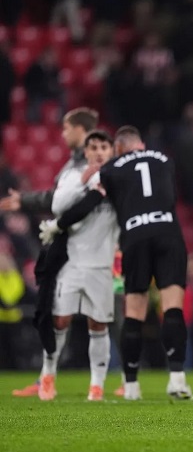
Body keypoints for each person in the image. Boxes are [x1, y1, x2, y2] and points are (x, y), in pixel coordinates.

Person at [39, 126, 193, 400]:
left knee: (133, 313)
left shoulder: (111, 169)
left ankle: (131, 386)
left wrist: (57, 225)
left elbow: (89, 202)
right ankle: (178, 380)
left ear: (118, 148)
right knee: (172, 309)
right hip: (168, 233)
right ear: (141, 144)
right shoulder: (163, 158)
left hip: (135, 236)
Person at [5, 106, 99, 398]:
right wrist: (26, 201)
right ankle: (46, 378)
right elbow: (57, 199)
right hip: (72, 246)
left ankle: (127, 378)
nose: (62, 133)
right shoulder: (72, 165)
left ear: (80, 130)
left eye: (67, 128)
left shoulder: (97, 163)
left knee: (110, 314)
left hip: (97, 246)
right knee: (58, 312)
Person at [36, 130, 118, 401]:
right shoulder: (73, 175)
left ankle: (97, 386)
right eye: (93, 147)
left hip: (102, 263)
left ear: (111, 151)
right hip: (71, 261)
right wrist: (83, 183)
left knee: (99, 324)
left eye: (103, 147)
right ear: (86, 152)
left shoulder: (118, 179)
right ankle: (48, 374)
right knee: (60, 320)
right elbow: (58, 206)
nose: (98, 152)